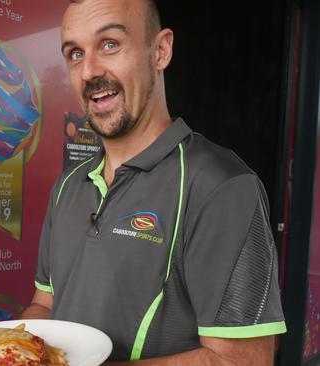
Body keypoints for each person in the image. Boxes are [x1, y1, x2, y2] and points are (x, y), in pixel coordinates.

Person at [20, 0, 286, 364]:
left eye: (110, 44)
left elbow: (242, 360)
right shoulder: (67, 186)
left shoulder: (222, 187)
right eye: (75, 53)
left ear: (160, 51)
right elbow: (44, 304)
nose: (89, 71)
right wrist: (8, 350)